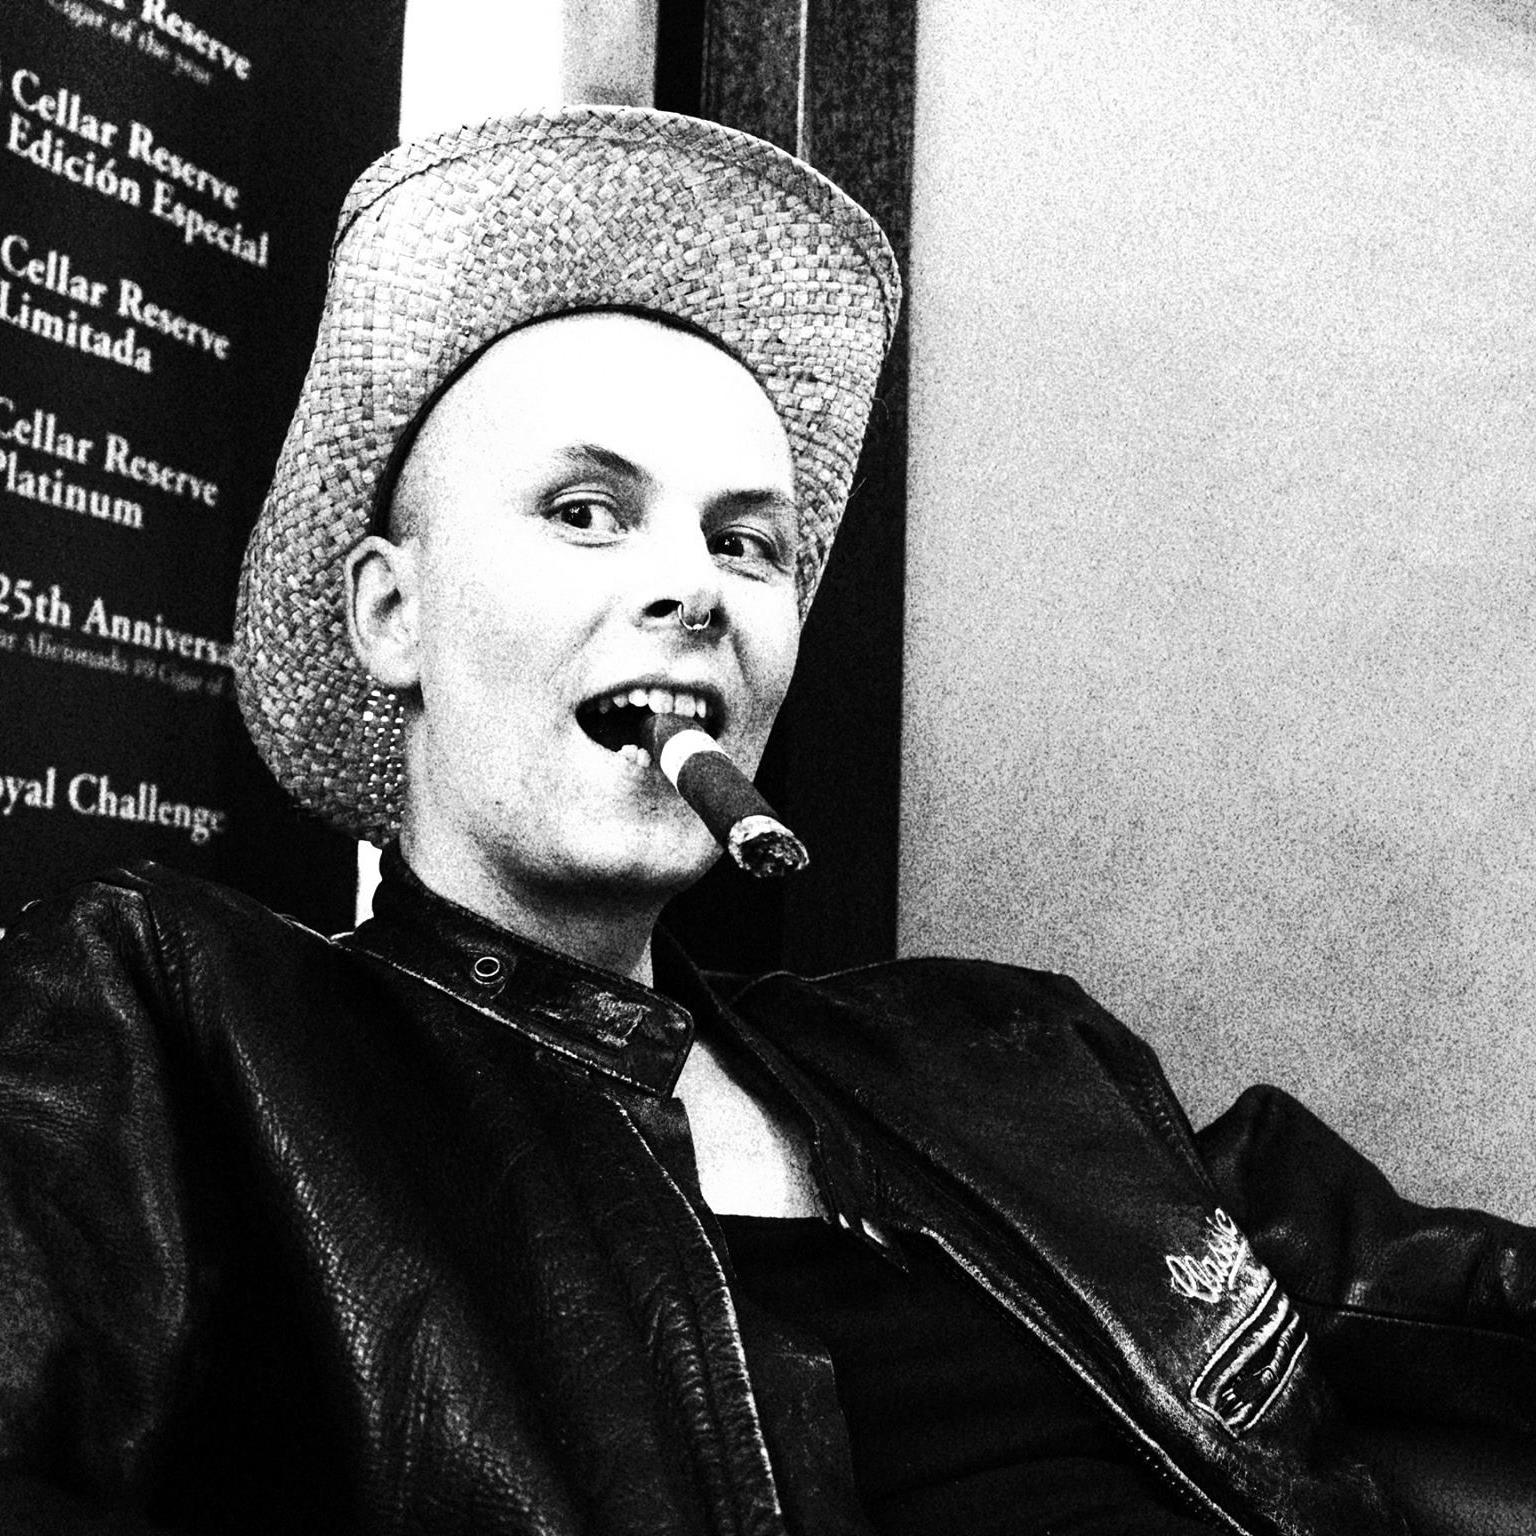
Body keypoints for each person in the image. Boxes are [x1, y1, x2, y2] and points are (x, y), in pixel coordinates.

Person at [0, 106, 1532, 1536]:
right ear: (393, 614)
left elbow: (1434, 1289)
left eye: (747, 541)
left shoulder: (1014, 1053)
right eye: (586, 511)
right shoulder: (182, 1029)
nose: (694, 587)